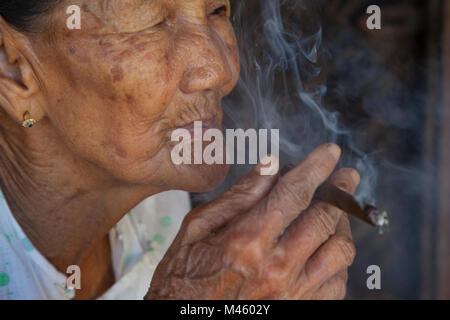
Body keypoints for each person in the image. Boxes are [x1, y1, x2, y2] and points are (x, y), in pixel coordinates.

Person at [0, 0, 359, 300]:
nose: (218, 70)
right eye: (153, 24)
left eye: (217, 10)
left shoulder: (159, 199)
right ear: (13, 70)